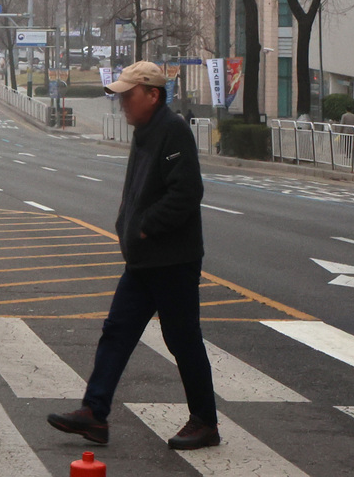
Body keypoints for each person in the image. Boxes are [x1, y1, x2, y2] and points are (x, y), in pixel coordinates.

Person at [47, 61, 219, 451]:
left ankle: (205, 422)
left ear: (153, 95)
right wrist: (127, 223)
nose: (123, 102)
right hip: (145, 260)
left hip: (172, 259)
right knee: (117, 332)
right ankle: (95, 414)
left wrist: (144, 225)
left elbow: (187, 193)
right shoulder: (145, 131)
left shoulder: (171, 129)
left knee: (183, 340)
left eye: (129, 94)